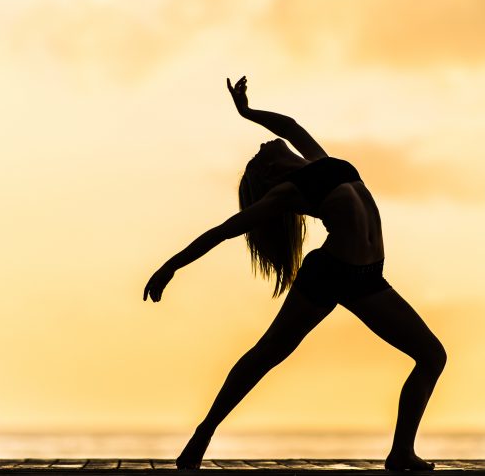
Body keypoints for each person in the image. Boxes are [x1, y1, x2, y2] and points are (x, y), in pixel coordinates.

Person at [143, 76, 447, 471]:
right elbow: (224, 230)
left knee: (431, 355)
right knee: (268, 354)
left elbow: (287, 126)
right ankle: (203, 434)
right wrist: (171, 266)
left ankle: (401, 452)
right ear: (268, 174)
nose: (264, 143)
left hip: (368, 279)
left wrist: (247, 112)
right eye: (259, 153)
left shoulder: (320, 161)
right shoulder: (287, 192)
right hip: (330, 273)